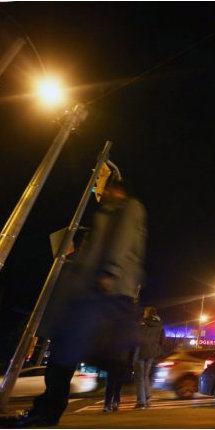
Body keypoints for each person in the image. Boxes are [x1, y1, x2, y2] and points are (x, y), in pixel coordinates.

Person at [5, 178, 147, 427]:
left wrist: (109, 273)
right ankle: (46, 411)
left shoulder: (128, 208)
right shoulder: (111, 211)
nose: (101, 193)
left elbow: (121, 241)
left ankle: (46, 412)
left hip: (101, 293)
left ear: (117, 189)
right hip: (92, 292)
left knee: (66, 351)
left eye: (104, 188)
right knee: (66, 350)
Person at [133, 306, 165, 409]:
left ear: (147, 313)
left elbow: (135, 337)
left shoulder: (142, 323)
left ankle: (141, 402)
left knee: (139, 377)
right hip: (152, 353)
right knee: (145, 375)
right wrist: (157, 349)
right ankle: (147, 396)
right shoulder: (160, 325)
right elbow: (162, 339)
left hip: (140, 352)